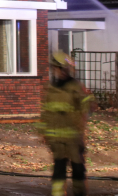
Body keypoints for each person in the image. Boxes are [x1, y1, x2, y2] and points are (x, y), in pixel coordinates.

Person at [38, 51, 96, 196]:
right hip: (56, 140)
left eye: (63, 69)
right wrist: (44, 132)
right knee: (58, 171)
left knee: (78, 169)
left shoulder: (76, 88)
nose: (60, 72)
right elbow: (45, 113)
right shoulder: (50, 89)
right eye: (57, 68)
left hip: (73, 139)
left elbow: (89, 106)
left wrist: (87, 104)